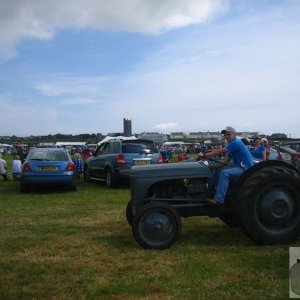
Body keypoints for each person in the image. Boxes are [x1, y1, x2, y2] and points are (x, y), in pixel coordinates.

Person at [198, 126, 254, 206]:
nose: (226, 136)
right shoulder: (232, 146)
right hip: (239, 168)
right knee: (218, 169)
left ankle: (218, 200)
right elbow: (225, 162)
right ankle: (210, 192)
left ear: (234, 134)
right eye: (225, 135)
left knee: (225, 173)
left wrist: (204, 155)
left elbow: (219, 151)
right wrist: (214, 166)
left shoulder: (236, 143)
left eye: (228, 134)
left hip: (246, 169)